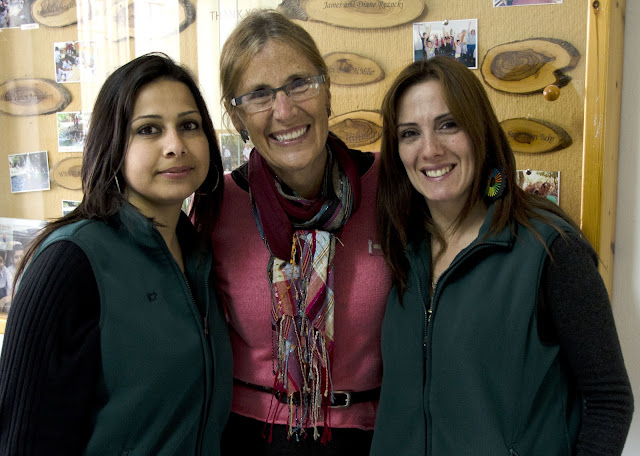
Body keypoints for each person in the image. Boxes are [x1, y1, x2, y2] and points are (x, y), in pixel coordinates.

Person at [371, 57, 634, 456]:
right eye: (410, 133)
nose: (430, 150)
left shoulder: (551, 248)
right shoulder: (401, 248)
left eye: (448, 125)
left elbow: (609, 400)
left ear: (480, 130)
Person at [0, 53, 232, 455]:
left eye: (189, 125)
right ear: (113, 144)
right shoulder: (70, 262)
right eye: (148, 129)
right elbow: (22, 440)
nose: (176, 145)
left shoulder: (199, 253)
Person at [207, 9, 392, 455]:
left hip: (370, 436)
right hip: (251, 438)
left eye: (299, 83)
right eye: (259, 94)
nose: (284, 110)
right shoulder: (218, 204)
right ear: (237, 117)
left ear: (327, 91)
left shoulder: (391, 187)